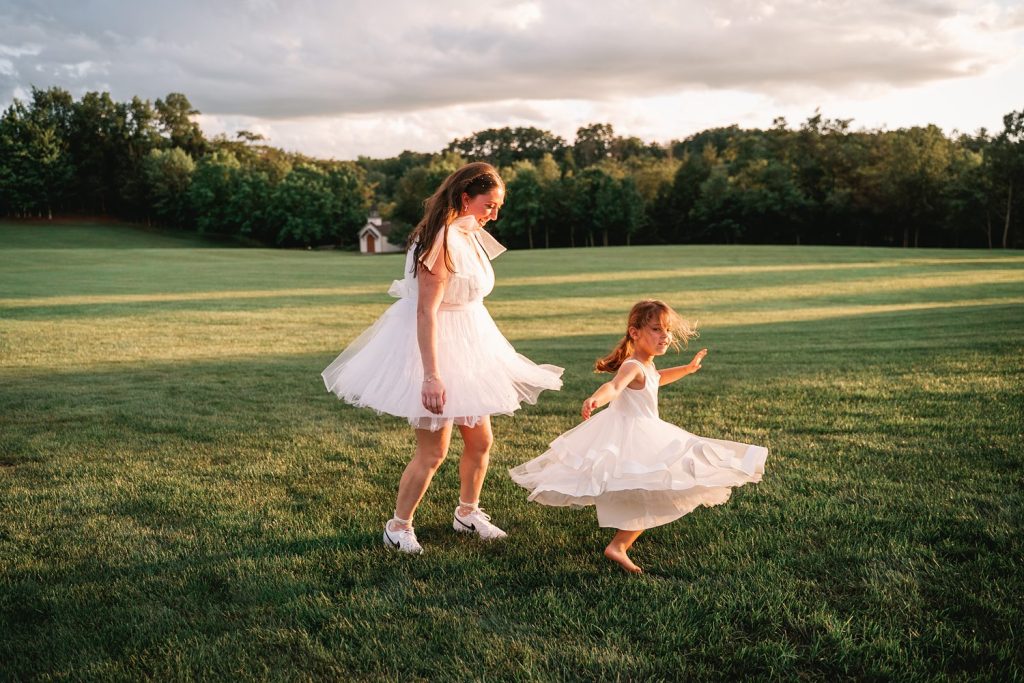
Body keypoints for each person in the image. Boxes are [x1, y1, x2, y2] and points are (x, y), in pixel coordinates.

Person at [322, 162, 563, 554]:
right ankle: (398, 527)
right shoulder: (439, 240)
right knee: (434, 451)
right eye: (489, 205)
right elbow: (426, 311)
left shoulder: (470, 236)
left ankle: (467, 514)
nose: (494, 215)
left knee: (481, 441)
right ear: (465, 197)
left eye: (498, 207)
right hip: (437, 349)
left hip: (471, 347)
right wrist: (431, 376)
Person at [509, 300, 767, 574]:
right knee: (653, 489)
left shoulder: (646, 367)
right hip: (632, 433)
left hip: (641, 431)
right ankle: (618, 546)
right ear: (635, 333)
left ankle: (618, 544)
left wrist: (687, 369)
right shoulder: (632, 365)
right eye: (656, 329)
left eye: (667, 330)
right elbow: (614, 386)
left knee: (650, 490)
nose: (665, 336)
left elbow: (656, 378)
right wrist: (596, 398)